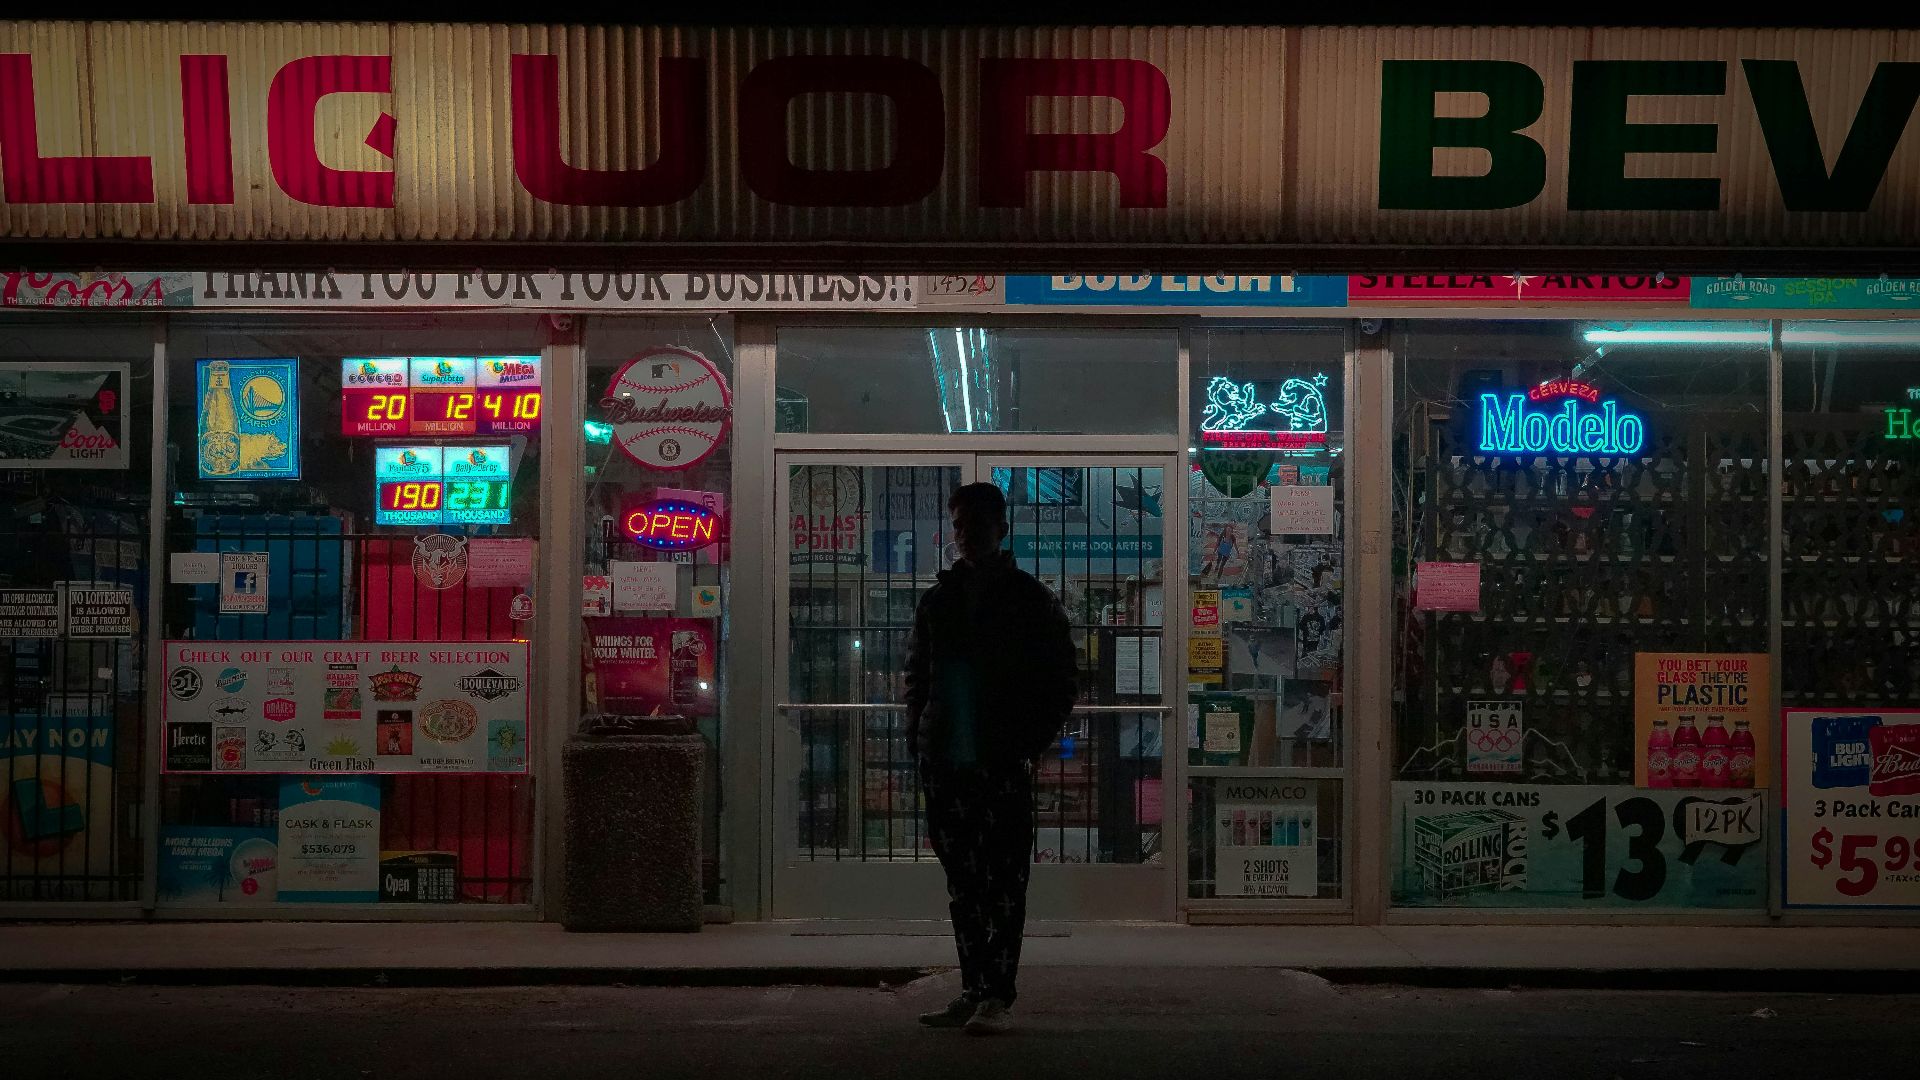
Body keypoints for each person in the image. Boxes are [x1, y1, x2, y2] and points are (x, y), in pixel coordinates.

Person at [905, 482, 1077, 1036]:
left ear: (1000, 528)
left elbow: (1060, 682)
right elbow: (919, 677)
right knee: (964, 883)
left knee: (1002, 881)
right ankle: (975, 988)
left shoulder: (1028, 599)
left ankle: (995, 992)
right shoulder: (941, 600)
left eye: (974, 524)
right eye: (958, 525)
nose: (965, 536)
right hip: (950, 760)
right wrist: (922, 737)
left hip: (998, 761)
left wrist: (1026, 743)